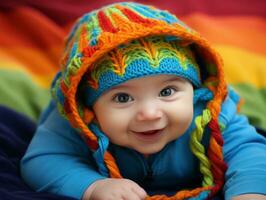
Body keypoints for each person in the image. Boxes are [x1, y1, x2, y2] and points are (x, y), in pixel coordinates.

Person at [20, 2, 266, 200]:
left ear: (194, 88)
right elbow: (42, 160)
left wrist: (249, 192)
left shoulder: (210, 115)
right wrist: (92, 186)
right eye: (123, 97)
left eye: (168, 92)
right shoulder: (74, 123)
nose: (150, 113)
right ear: (88, 107)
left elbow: (249, 151)